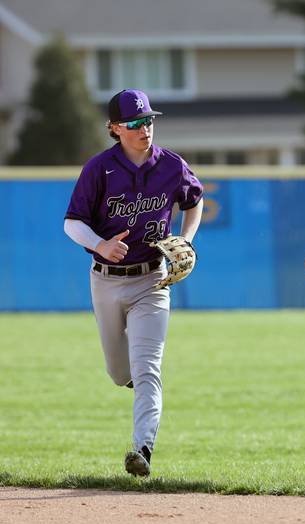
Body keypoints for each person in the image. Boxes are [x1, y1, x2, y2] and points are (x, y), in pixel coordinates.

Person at [64, 89, 204, 477]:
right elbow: (72, 222)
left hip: (153, 281)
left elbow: (194, 202)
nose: (146, 129)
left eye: (149, 120)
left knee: (148, 369)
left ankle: (143, 447)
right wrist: (99, 244)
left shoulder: (171, 165)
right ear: (114, 129)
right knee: (118, 372)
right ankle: (128, 381)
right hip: (106, 281)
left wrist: (187, 239)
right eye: (136, 123)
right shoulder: (99, 169)